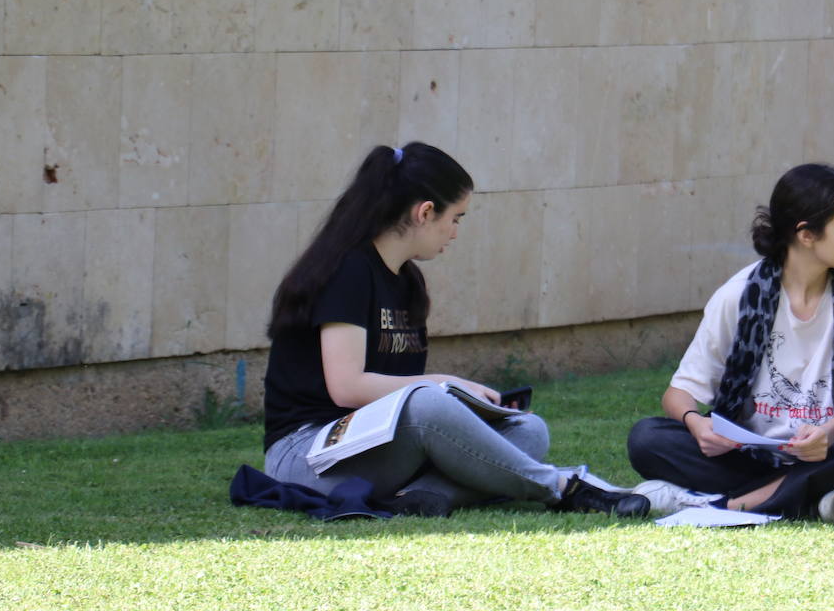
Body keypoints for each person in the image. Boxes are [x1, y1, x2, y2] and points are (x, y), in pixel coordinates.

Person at [262, 141, 648, 518]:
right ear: (425, 212)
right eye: (456, 218)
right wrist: (443, 384)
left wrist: (465, 405)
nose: (456, 232)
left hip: (378, 445)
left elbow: (400, 400)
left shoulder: (407, 281)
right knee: (429, 402)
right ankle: (564, 489)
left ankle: (422, 497)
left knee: (527, 430)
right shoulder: (349, 271)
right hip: (308, 454)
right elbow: (346, 387)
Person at [626, 163, 834, 522]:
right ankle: (813, 499)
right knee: (646, 438)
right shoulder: (737, 296)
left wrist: (826, 433)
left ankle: (728, 505)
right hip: (750, 458)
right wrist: (696, 424)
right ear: (806, 234)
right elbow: (678, 395)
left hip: (832, 448)